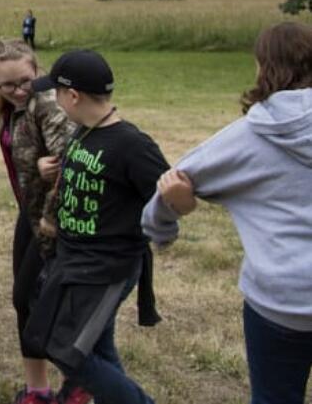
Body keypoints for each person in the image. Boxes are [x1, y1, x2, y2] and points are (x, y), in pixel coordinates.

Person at [142, 22, 312, 404]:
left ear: (262, 67)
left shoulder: (247, 137)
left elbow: (173, 182)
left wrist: (162, 228)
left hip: (280, 303)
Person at [23, 50, 168, 404]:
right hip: (75, 262)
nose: (54, 100)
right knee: (97, 348)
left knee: (67, 351)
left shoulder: (132, 144)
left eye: (55, 93)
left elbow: (165, 195)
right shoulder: (84, 134)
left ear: (72, 96)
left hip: (106, 268)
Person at [0, 39, 85, 404]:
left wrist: (50, 165)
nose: (18, 90)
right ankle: (38, 391)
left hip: (53, 217)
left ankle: (80, 381)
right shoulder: (10, 108)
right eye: (7, 85)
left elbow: (73, 156)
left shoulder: (46, 104)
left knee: (41, 299)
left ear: (37, 72)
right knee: (24, 301)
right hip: (27, 212)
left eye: (25, 81)